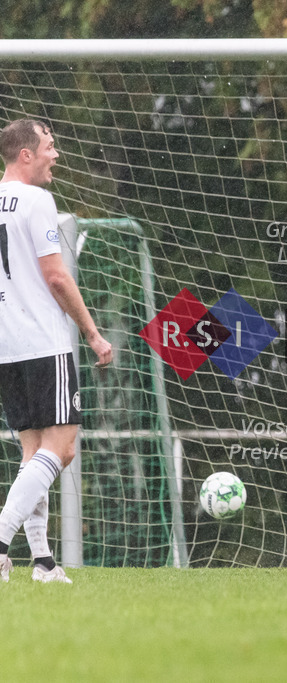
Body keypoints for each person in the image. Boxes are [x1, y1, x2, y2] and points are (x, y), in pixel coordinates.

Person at [0, 118, 113, 584]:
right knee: (62, 448)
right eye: (49, 145)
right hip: (43, 340)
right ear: (25, 154)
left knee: (34, 453)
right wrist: (92, 333)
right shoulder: (36, 200)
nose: (56, 154)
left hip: (6, 345)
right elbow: (57, 277)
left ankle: (43, 562)